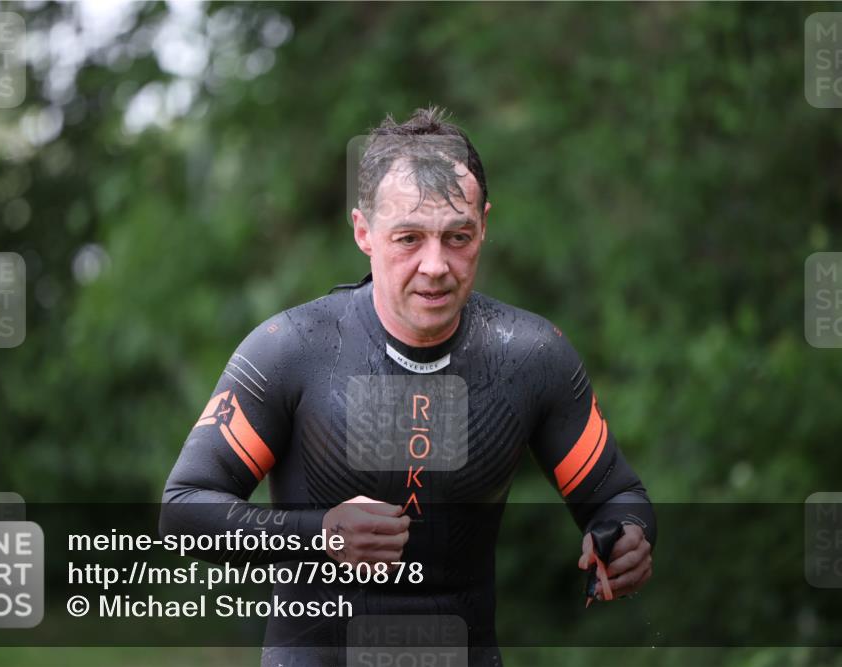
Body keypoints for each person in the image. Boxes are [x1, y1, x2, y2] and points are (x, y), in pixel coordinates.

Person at [160, 107, 655, 666]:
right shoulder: (292, 349)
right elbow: (184, 512)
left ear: (484, 226)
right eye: (409, 238)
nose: (436, 265)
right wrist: (320, 535)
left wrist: (626, 535)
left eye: (458, 236)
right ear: (363, 232)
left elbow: (615, 497)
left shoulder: (529, 355)